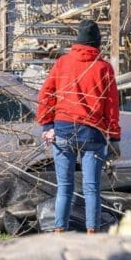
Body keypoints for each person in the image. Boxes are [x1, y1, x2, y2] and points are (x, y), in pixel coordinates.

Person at [37, 19, 121, 233]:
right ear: (97, 43)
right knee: (91, 188)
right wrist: (115, 137)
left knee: (64, 188)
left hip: (63, 131)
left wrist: (47, 124)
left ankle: (59, 232)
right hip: (94, 135)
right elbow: (111, 105)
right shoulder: (103, 68)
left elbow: (46, 94)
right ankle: (92, 233)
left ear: (77, 40)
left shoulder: (62, 63)